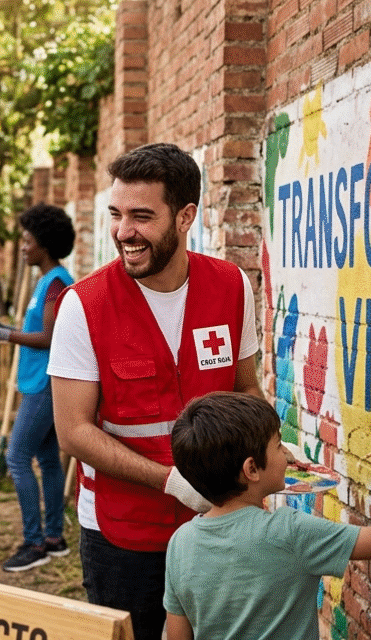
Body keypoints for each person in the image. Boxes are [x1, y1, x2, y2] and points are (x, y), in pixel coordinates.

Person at [47, 142, 262, 640]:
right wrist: (171, 481)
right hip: (124, 536)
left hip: (219, 526)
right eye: (117, 215)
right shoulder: (84, 305)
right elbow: (73, 433)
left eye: (142, 216)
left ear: (186, 217)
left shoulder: (230, 286)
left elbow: (245, 389)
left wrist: (266, 445)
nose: (125, 232)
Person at [164, 392, 371, 640]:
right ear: (252, 469)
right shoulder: (289, 532)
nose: (286, 454)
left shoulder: (180, 543)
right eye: (279, 445)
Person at [0, 204, 75, 571]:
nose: (23, 246)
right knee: (45, 459)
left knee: (16, 457)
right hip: (36, 380)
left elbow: (49, 336)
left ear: (44, 244)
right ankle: (54, 537)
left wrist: (4, 335)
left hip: (46, 382)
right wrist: (4, 327)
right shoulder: (45, 281)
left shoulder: (57, 282)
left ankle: (34, 543)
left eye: (28, 240)